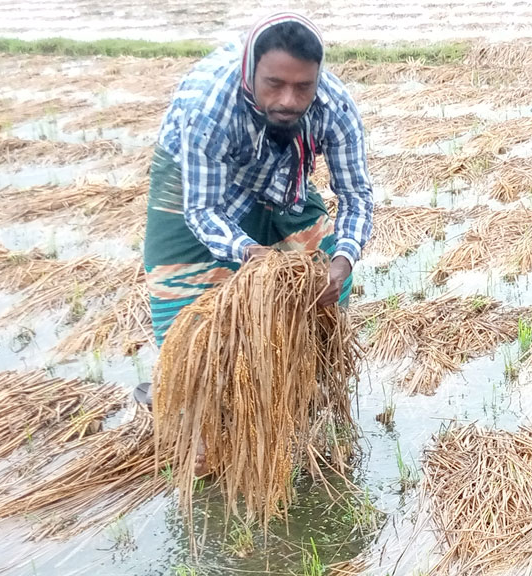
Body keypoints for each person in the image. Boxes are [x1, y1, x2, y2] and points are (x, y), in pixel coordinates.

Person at [138, 13, 373, 470]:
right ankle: (185, 406)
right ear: (250, 72)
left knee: (321, 277)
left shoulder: (333, 107)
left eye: (302, 87)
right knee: (183, 304)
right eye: (274, 84)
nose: (288, 99)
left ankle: (300, 384)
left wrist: (343, 261)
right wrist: (248, 252)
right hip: (194, 181)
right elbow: (203, 211)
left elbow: (357, 195)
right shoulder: (209, 110)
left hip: (280, 171)